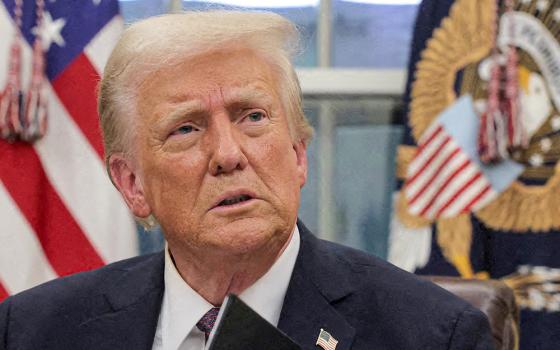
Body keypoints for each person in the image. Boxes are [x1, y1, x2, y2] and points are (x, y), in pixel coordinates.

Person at [0, 11, 494, 350]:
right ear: (132, 184)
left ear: (299, 153)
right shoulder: (33, 332)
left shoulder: (432, 335)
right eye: (186, 128)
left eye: (252, 117)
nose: (229, 155)